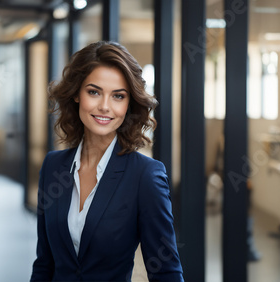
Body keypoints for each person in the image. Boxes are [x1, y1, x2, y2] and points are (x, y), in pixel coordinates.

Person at [30, 41, 184, 281]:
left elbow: (166, 273)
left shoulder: (145, 176)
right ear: (77, 95)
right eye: (94, 92)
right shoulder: (53, 167)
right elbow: (44, 264)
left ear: (129, 103)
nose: (104, 107)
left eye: (118, 96)